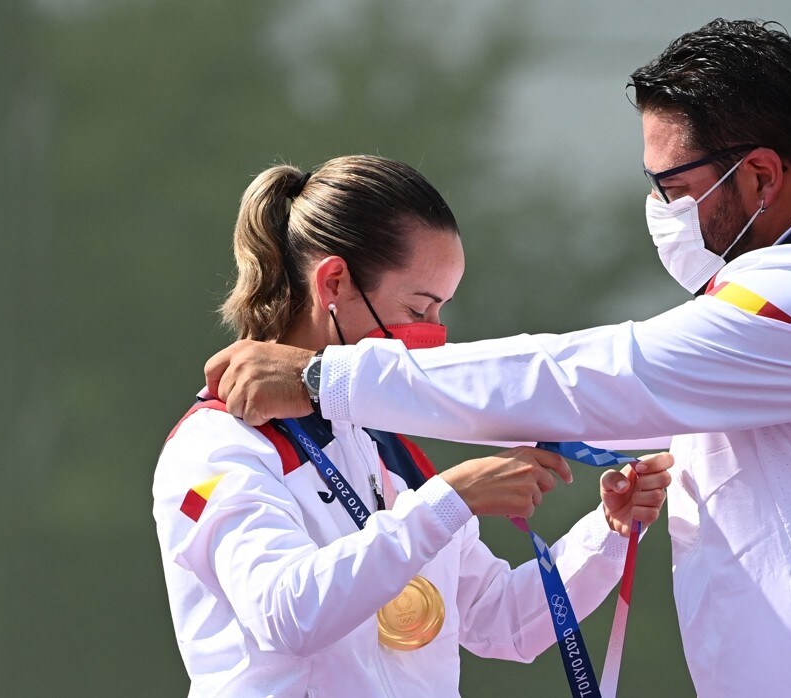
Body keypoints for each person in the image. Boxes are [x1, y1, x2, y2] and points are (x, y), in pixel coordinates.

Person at [202, 20, 791, 696]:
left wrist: (327, 378)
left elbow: (591, 375)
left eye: (672, 186)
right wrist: (604, 528)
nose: (660, 210)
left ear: (758, 176)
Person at [153, 154, 673, 697]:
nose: (434, 335)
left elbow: (502, 624)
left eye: (443, 309)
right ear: (333, 284)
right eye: (420, 308)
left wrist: (608, 534)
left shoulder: (383, 444)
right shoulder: (217, 444)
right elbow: (290, 614)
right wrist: (453, 497)